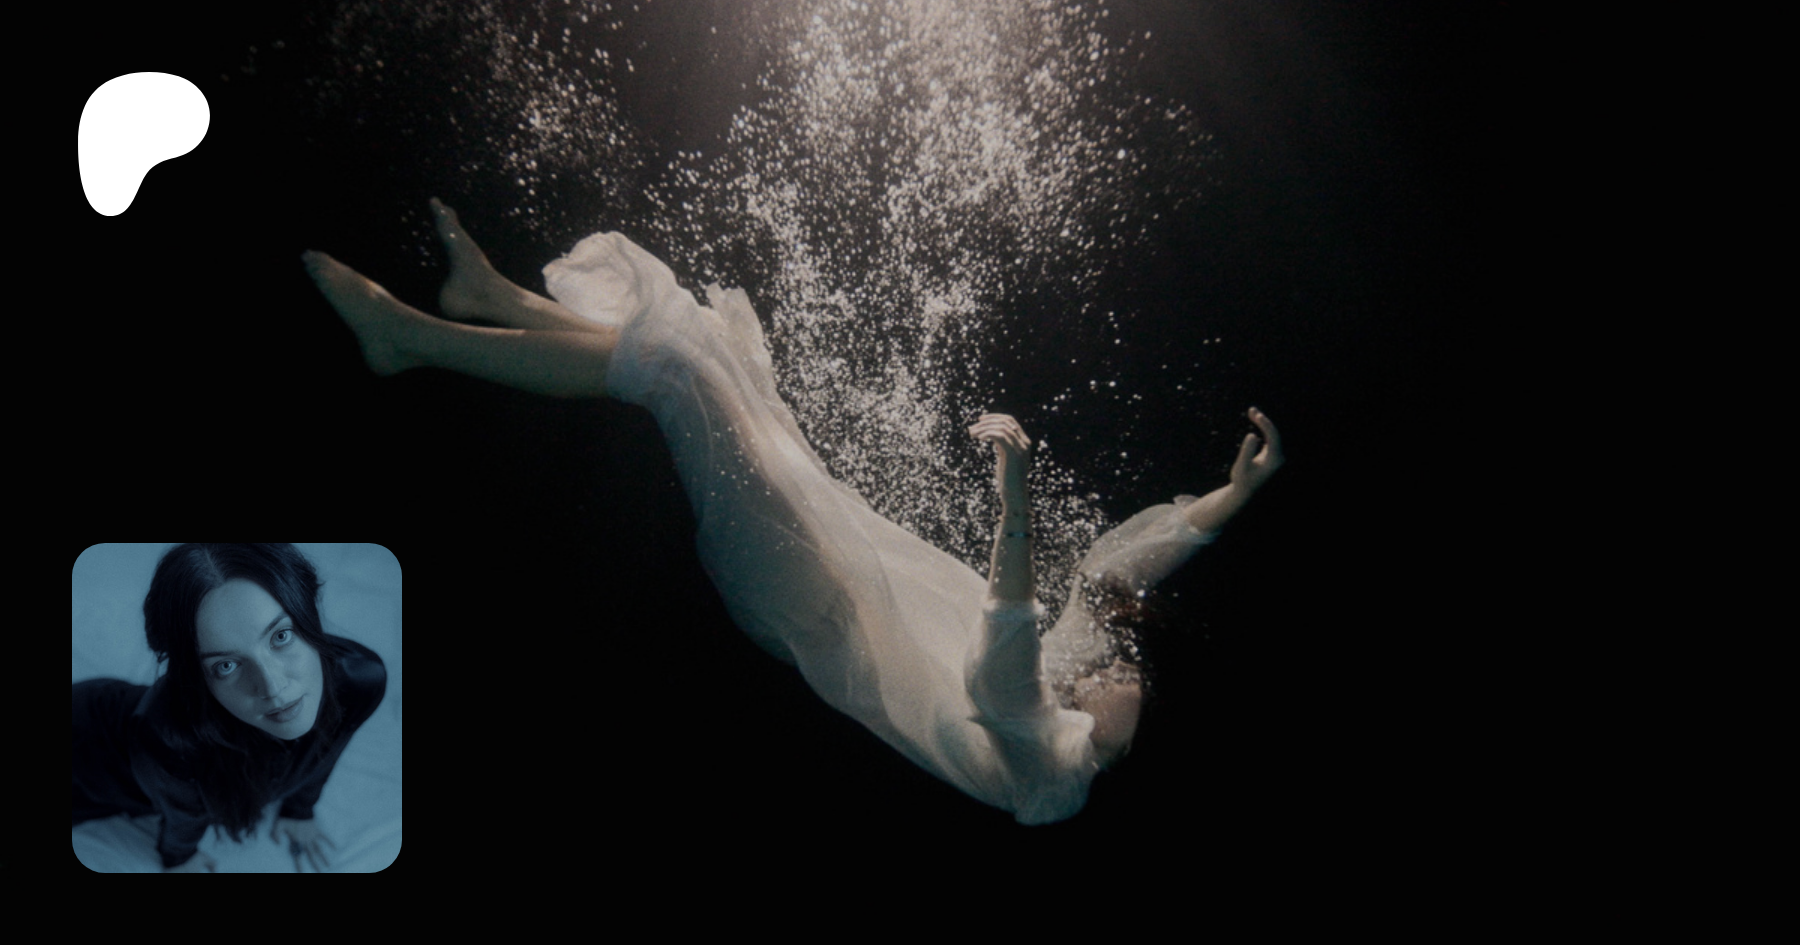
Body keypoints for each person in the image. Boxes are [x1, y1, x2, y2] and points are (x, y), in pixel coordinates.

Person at [302, 199, 1280, 823]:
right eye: (1125, 661)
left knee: (681, 372)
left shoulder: (1057, 774)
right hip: (829, 550)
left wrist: (1015, 503)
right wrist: (1232, 498)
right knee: (706, 359)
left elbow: (1001, 661)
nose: (1117, 667)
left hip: (800, 591)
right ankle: (495, 297)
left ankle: (410, 338)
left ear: (1153, 743)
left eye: (1132, 678)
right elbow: (1112, 573)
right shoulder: (1085, 695)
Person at [72, 544, 387, 871]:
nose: (272, 687)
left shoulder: (360, 679)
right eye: (226, 665)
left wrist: (300, 810)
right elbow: (183, 818)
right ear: (196, 676)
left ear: (308, 611)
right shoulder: (168, 739)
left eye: (281, 636)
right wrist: (179, 858)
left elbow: (324, 751)